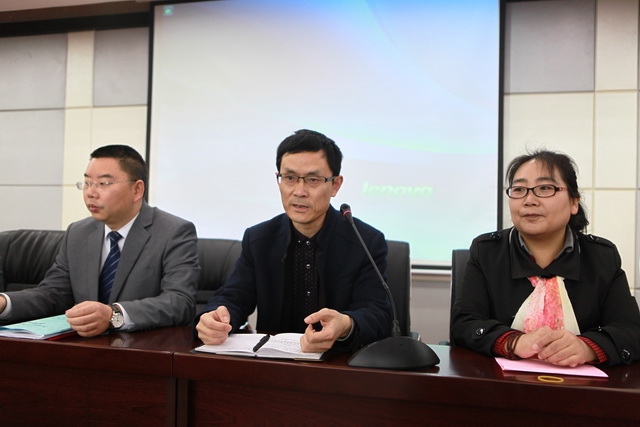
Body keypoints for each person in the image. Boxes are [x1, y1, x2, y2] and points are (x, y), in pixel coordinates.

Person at [196, 129, 392, 353]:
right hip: (274, 363)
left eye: (313, 180)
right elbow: (233, 297)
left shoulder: (365, 242)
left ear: (335, 185)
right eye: (289, 178)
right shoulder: (259, 239)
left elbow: (377, 314)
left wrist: (345, 325)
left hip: (339, 362)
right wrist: (215, 318)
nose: (299, 191)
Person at [451, 149, 640, 367]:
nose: (529, 200)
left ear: (574, 202)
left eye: (544, 188)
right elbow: (464, 326)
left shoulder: (601, 257)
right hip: (502, 382)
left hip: (582, 384)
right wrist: (513, 342)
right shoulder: (487, 252)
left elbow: (631, 332)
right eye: (519, 190)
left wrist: (587, 348)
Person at [0, 145, 200, 337]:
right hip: (84, 348)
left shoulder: (173, 232)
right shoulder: (78, 232)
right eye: (87, 183)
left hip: (144, 349)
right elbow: (54, 294)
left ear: (137, 190)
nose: (91, 193)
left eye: (103, 184)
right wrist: (4, 302)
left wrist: (113, 315)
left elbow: (179, 302)